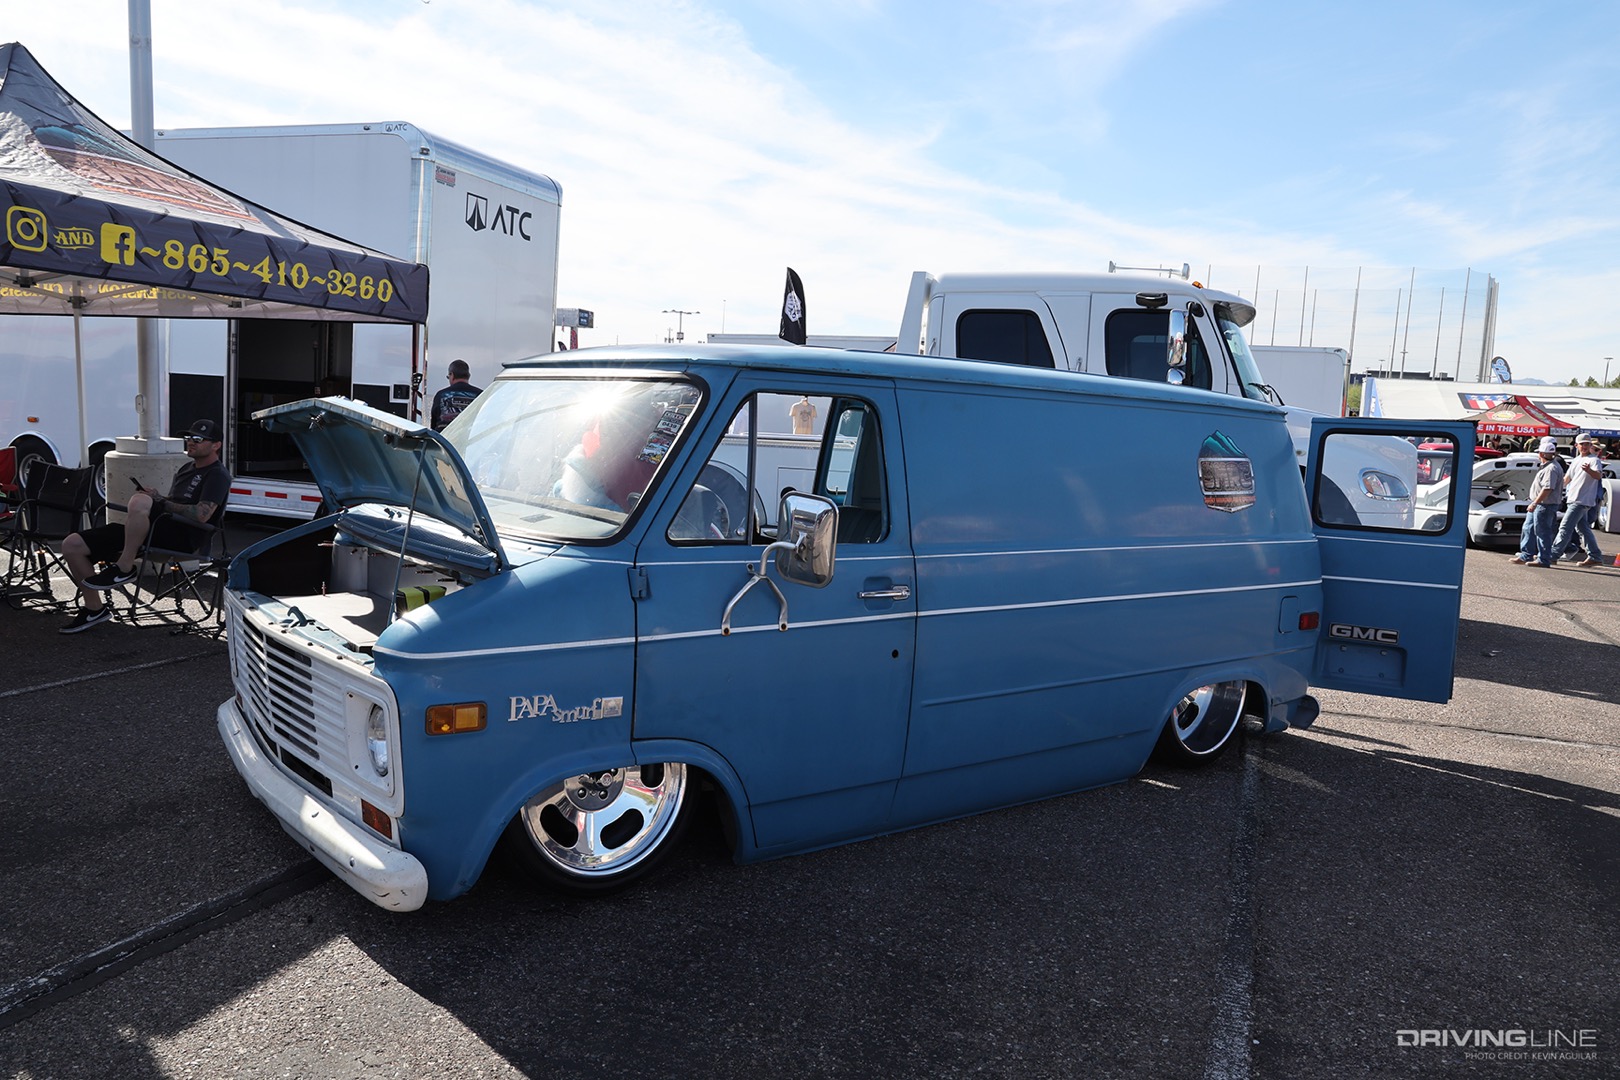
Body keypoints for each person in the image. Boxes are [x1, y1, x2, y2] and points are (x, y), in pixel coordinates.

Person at [59, 419, 232, 633]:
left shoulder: (217, 474)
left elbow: (202, 515)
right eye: (188, 438)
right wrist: (158, 498)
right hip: (159, 528)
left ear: (216, 445)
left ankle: (124, 567)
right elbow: (175, 502)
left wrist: (160, 501)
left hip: (185, 536)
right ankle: (94, 608)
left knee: (141, 502)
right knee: (72, 545)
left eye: (198, 439)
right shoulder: (187, 468)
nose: (190, 442)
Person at [1552, 433, 1607, 568]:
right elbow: (1568, 478)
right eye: (1582, 444)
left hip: (1581, 500)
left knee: (1565, 527)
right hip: (1574, 499)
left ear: (1590, 446)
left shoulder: (1594, 460)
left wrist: (1589, 471)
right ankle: (1595, 556)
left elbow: (1598, 476)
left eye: (1587, 444)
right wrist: (1556, 490)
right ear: (1576, 445)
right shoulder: (1576, 460)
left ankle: (1552, 555)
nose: (1584, 446)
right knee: (1583, 528)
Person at [1509, 436, 1565, 568]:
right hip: (1540, 504)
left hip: (1544, 504)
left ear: (1540, 454)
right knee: (1528, 528)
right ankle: (1526, 554)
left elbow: (1548, 488)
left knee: (1542, 532)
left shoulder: (1551, 468)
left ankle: (1543, 559)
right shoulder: (1549, 466)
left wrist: (1535, 503)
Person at [431, 359, 482, 431]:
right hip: (470, 438)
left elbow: (434, 423)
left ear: (452, 375)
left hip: (444, 439)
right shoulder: (480, 394)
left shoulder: (441, 395)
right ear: (469, 376)